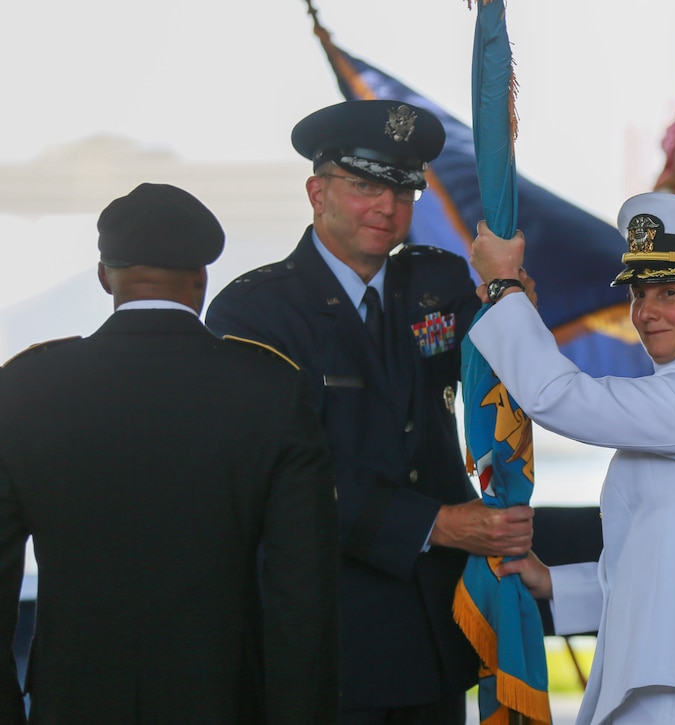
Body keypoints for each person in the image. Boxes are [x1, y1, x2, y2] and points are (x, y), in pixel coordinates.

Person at [205, 100, 534, 724]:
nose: (386, 207)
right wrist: (433, 523)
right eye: (364, 186)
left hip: (434, 628)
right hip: (326, 634)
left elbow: (505, 379)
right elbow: (277, 474)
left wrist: (511, 297)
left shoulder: (436, 282)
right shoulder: (253, 314)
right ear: (316, 191)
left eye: (403, 190)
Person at [0, 183, 340, 724]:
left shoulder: (25, 385)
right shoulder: (270, 386)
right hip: (222, 700)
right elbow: (302, 589)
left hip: (73, 701)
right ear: (202, 279)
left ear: (102, 274)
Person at [469, 191, 675, 725]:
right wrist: (556, 584)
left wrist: (504, 290)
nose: (646, 311)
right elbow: (657, 566)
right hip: (667, 684)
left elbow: (565, 400)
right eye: (640, 292)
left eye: (670, 292)